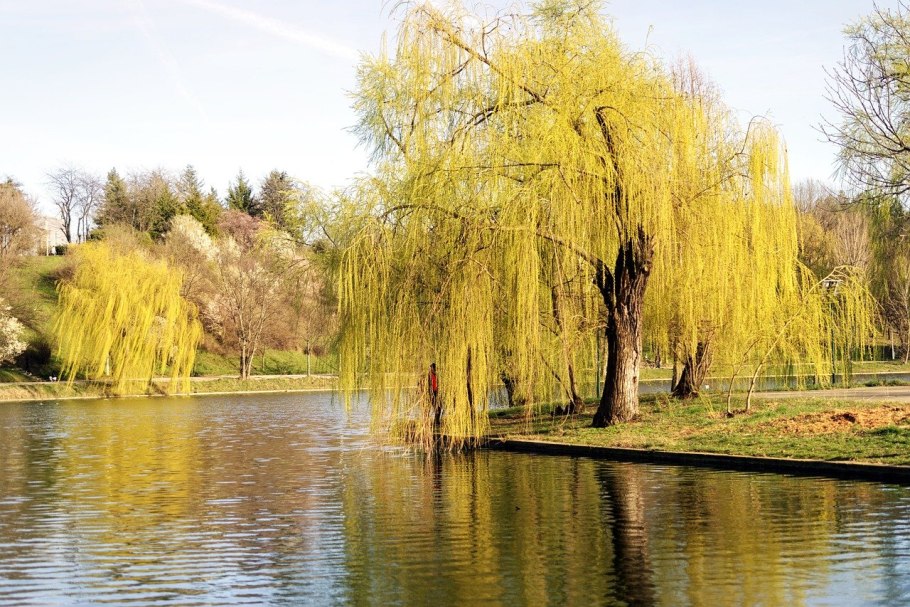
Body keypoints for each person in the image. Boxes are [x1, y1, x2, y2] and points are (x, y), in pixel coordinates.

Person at [428, 362, 440, 427]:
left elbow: (437, 384)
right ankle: (436, 422)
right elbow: (428, 385)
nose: (433, 369)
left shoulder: (436, 375)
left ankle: (437, 421)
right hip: (431, 393)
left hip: (436, 393)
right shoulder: (429, 376)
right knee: (436, 408)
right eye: (433, 368)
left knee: (439, 408)